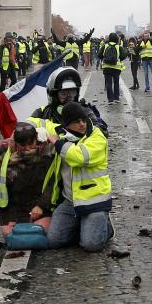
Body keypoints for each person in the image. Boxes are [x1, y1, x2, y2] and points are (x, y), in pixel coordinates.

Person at [47, 103, 114, 252]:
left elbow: (79, 157)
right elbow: (41, 123)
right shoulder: (62, 134)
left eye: (83, 119)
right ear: (67, 124)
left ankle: (106, 227)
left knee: (91, 245)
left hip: (94, 200)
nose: (82, 124)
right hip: (70, 200)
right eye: (76, 122)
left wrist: (57, 143)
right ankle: (84, 225)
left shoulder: (97, 137)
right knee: (53, 240)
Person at [0, 121, 57, 239]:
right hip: (14, 206)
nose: (28, 148)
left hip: (39, 205)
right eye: (23, 145)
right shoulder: (3, 153)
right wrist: (12, 217)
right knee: (11, 237)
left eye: (31, 143)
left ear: (37, 139)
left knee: (37, 234)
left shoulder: (47, 152)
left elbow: (52, 183)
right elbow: (6, 191)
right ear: (15, 143)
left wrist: (41, 206)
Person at [99, 32, 125, 103]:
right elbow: (123, 57)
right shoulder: (119, 47)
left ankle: (110, 99)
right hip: (116, 67)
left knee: (108, 83)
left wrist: (105, 58)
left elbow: (99, 55)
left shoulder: (105, 46)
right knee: (116, 82)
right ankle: (116, 98)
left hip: (107, 67)